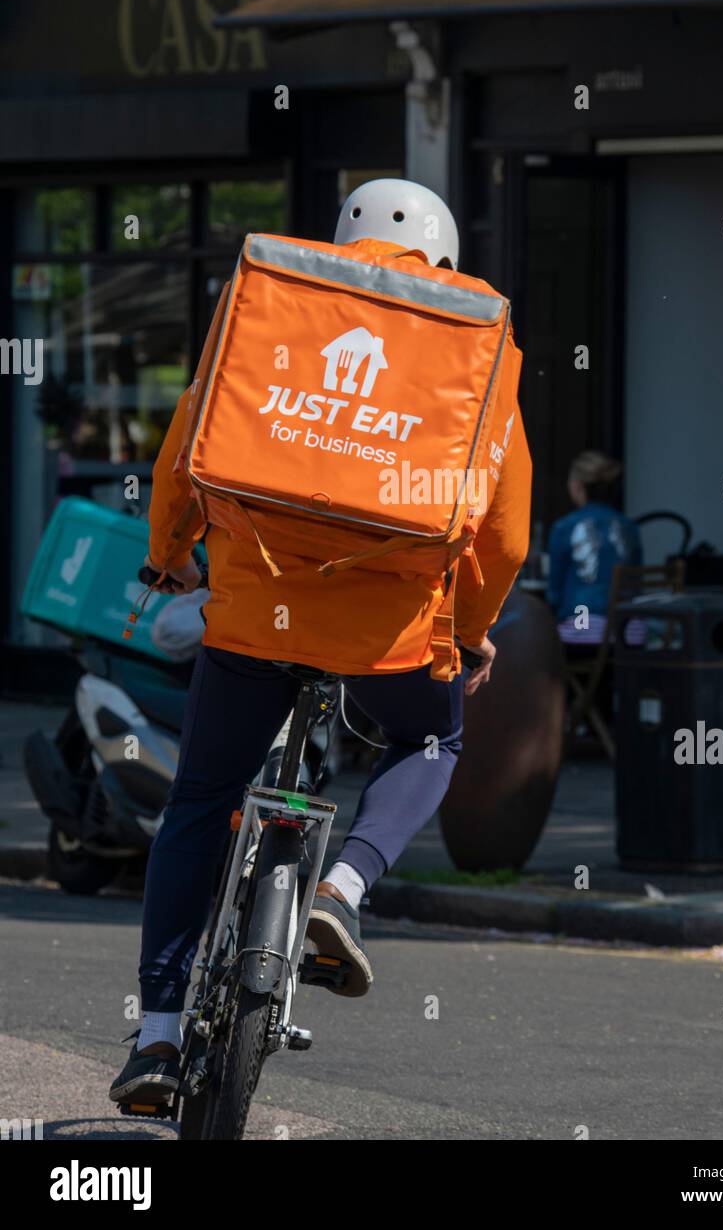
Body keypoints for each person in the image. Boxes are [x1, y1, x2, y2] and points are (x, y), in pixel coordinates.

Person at [110, 179, 532, 1109]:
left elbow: (190, 440)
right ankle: (341, 888)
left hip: (256, 613)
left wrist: (168, 555)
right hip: (389, 633)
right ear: (443, 256)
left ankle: (157, 1036)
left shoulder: (278, 297)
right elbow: (502, 531)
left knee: (201, 801)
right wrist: (464, 631)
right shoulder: (475, 339)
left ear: (342, 235)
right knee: (432, 738)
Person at [546, 451, 642, 644]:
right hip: (631, 631)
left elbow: (554, 594)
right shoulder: (629, 527)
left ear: (577, 486)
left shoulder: (565, 527)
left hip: (583, 628)